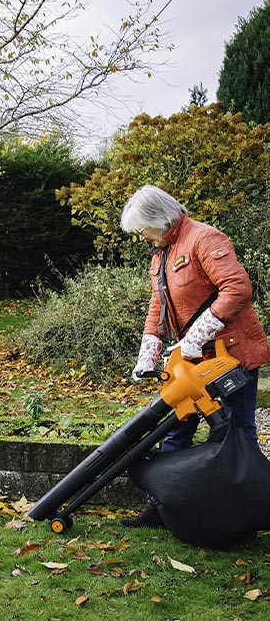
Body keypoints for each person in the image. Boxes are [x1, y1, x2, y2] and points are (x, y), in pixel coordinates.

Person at [119, 184, 270, 528]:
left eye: (143, 229)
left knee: (237, 433)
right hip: (192, 364)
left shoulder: (205, 238)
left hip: (232, 357)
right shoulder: (162, 253)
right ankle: (161, 509)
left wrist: (196, 336)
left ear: (159, 218)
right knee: (175, 431)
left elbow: (237, 288)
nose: (141, 237)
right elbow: (158, 305)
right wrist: (148, 353)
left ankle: (249, 513)